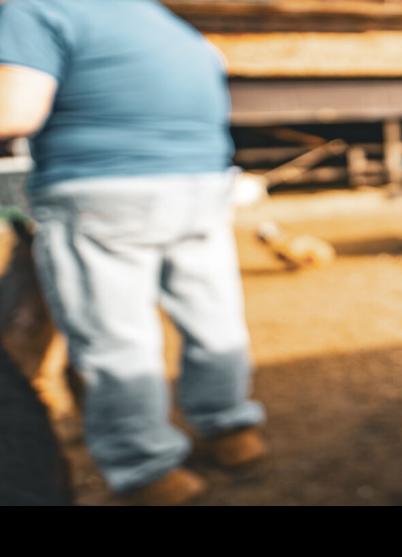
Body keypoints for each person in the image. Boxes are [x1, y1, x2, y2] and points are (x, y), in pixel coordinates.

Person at [0, 0, 267, 505]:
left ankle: (147, 470)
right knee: (213, 318)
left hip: (102, 188)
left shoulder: (36, 9)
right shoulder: (170, 24)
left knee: (117, 340)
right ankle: (232, 432)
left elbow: (16, 109)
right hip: (202, 183)